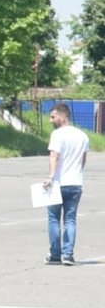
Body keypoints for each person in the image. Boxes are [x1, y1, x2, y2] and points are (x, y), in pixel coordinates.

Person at [43, 103, 89, 266]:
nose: (51, 120)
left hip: (59, 183)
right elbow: (83, 159)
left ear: (63, 116)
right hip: (75, 183)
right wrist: (77, 173)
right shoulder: (82, 135)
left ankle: (56, 254)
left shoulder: (58, 135)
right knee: (70, 219)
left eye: (53, 117)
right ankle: (68, 255)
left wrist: (51, 177)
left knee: (54, 218)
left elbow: (54, 156)